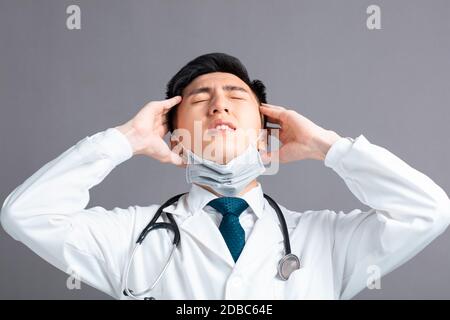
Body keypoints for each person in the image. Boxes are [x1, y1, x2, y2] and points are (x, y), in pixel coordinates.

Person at [1, 52, 449, 300]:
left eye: (236, 96)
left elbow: (428, 211)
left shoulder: (325, 240)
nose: (219, 106)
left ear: (266, 132)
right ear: (173, 135)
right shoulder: (132, 235)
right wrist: (124, 140)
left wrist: (328, 147)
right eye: (200, 100)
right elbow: (27, 215)